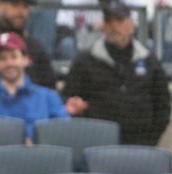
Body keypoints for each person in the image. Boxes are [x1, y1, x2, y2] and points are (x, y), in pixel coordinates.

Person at [62, 1, 171, 146]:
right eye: (109, 21)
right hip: (96, 146)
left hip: (140, 145)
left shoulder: (149, 61)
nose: (114, 26)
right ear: (103, 26)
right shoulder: (85, 61)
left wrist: (150, 141)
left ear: (131, 25)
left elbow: (162, 105)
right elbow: (67, 98)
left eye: (119, 20)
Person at [0, 32, 69, 141]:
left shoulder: (49, 98)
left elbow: (64, 136)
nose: (9, 63)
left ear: (26, 60)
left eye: (14, 56)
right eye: (2, 58)